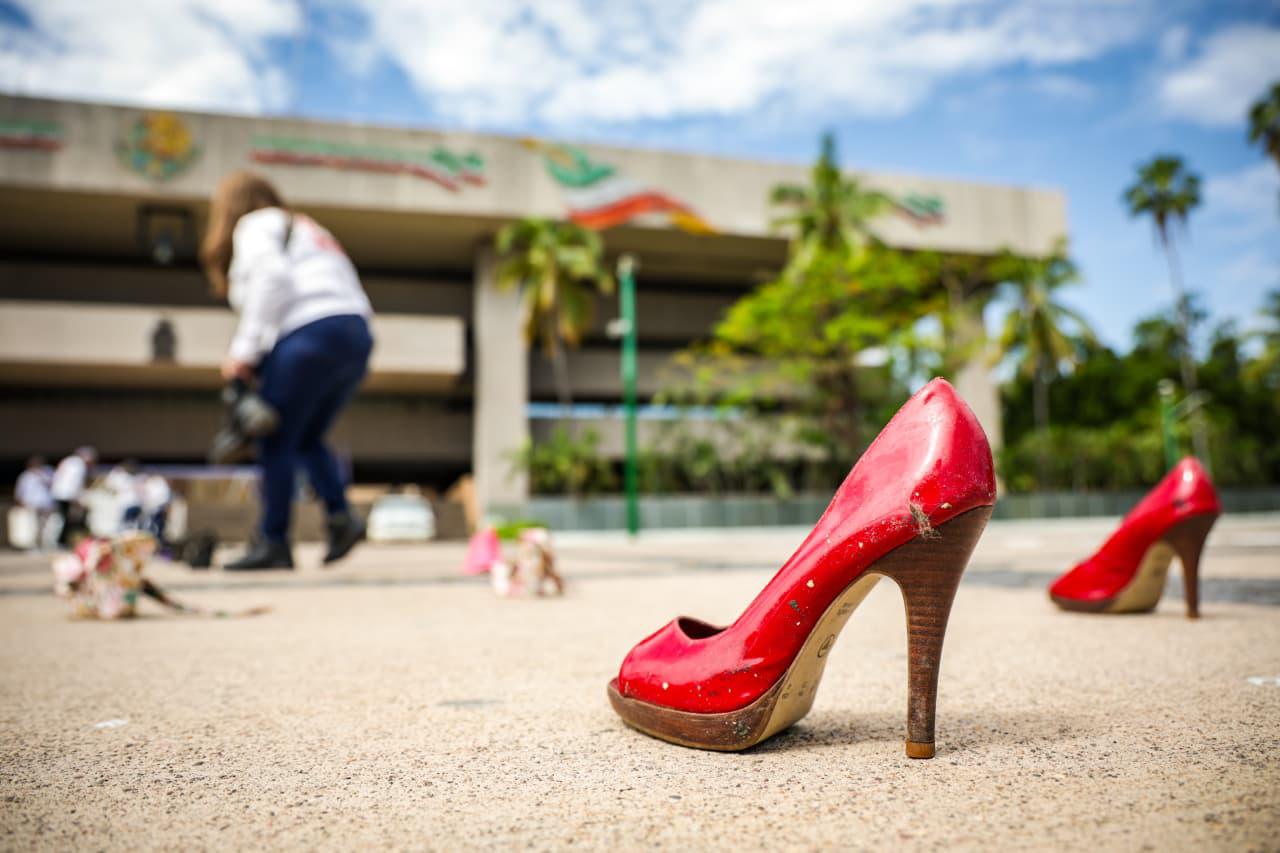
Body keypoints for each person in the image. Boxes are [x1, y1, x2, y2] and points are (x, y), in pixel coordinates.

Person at [200, 171, 374, 570]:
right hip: (354, 333)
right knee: (308, 436)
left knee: (275, 439)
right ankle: (341, 517)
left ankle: (274, 541)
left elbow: (272, 278)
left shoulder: (256, 224)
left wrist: (243, 353)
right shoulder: (310, 227)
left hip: (308, 333)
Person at [51, 446, 96, 546]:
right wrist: (77, 499)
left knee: (63, 518)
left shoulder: (69, 461)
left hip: (59, 493)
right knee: (68, 519)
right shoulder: (79, 464)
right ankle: (61, 541)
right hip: (68, 495)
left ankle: (62, 541)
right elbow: (75, 483)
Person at [15, 456, 55, 550]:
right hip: (32, 504)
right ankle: (33, 545)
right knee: (33, 526)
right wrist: (22, 502)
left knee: (48, 526)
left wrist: (41, 476)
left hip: (47, 504)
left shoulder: (47, 472)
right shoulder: (25, 476)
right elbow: (20, 491)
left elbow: (55, 485)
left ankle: (47, 544)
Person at [104, 458, 143, 531]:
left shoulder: (123, 476)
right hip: (131, 504)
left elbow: (109, 484)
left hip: (128, 504)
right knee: (130, 525)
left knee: (127, 525)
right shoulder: (131, 477)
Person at [140, 473, 172, 545]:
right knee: (146, 526)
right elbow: (144, 495)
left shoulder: (161, 483)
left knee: (159, 526)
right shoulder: (148, 482)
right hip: (148, 508)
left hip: (158, 509)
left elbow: (165, 497)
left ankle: (159, 542)